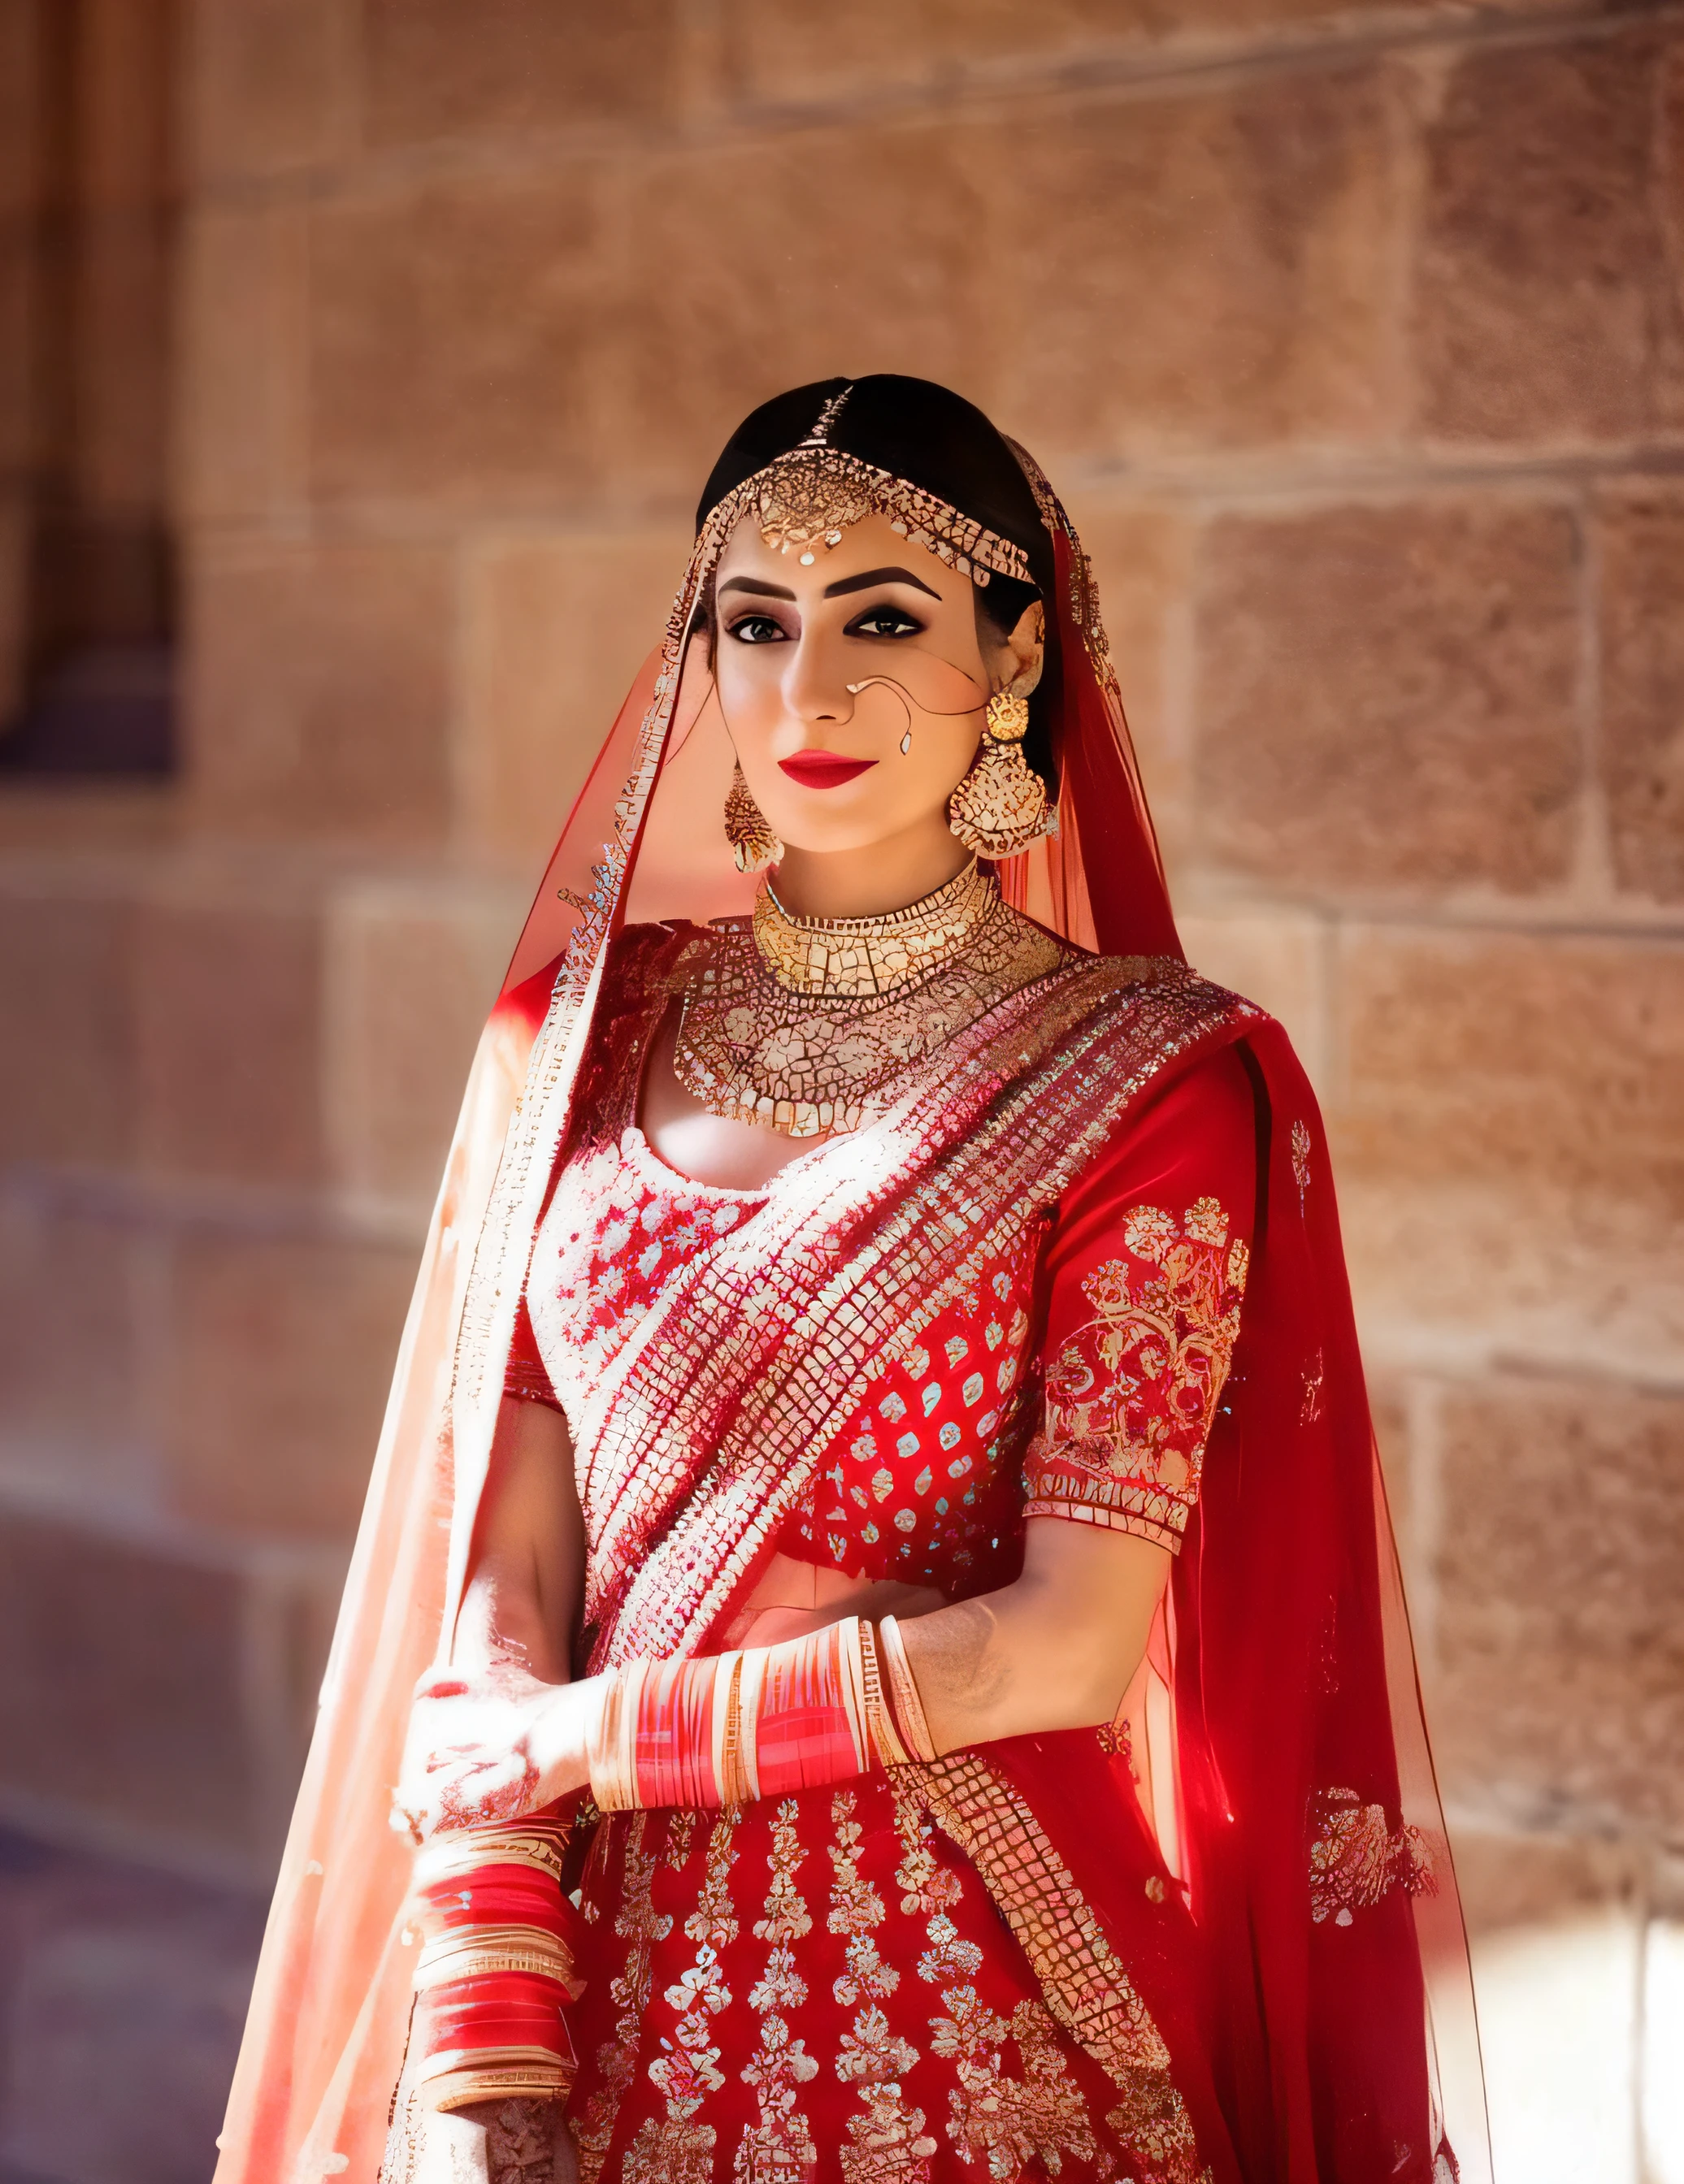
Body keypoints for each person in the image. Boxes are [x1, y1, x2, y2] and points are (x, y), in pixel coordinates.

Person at [213, 377, 1488, 2184]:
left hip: (962, 1993)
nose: (805, 692)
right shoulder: (572, 1032)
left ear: (1015, 655)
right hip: (573, 1963)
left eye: (882, 621)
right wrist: (486, 2025)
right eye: (755, 624)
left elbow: (1068, 1646)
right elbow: (502, 1562)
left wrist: (588, 1742)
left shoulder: (1142, 1081)